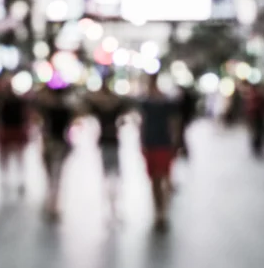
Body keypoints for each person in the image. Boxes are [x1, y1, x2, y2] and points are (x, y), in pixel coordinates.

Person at [84, 74, 130, 221]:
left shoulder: (112, 105)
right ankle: (111, 206)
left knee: (113, 175)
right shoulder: (104, 105)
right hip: (106, 142)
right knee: (109, 175)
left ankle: (114, 205)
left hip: (111, 142)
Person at [138, 73, 180, 230]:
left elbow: (173, 122)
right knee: (155, 180)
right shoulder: (145, 102)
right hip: (151, 143)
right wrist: (142, 141)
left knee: (163, 177)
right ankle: (158, 211)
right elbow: (142, 122)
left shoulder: (166, 102)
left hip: (164, 143)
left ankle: (163, 212)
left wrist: (175, 141)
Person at [36, 84, 74, 220]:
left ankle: (52, 202)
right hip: (57, 143)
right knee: (56, 175)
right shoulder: (63, 109)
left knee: (53, 174)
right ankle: (53, 201)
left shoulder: (50, 109)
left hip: (54, 143)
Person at [0, 72, 32, 195]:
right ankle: (5, 179)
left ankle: (20, 179)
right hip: (6, 129)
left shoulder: (19, 99)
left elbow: (26, 115)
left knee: (19, 157)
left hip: (16, 129)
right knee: (5, 157)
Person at [245, 83, 264, 157]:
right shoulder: (256, 96)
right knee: (257, 133)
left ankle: (256, 146)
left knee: (256, 133)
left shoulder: (252, 96)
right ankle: (257, 147)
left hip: (256, 117)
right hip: (257, 117)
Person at [176, 86, 196, 159]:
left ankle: (183, 150)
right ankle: (182, 150)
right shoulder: (183, 99)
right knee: (181, 136)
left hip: (183, 120)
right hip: (183, 119)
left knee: (182, 135)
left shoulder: (185, 99)